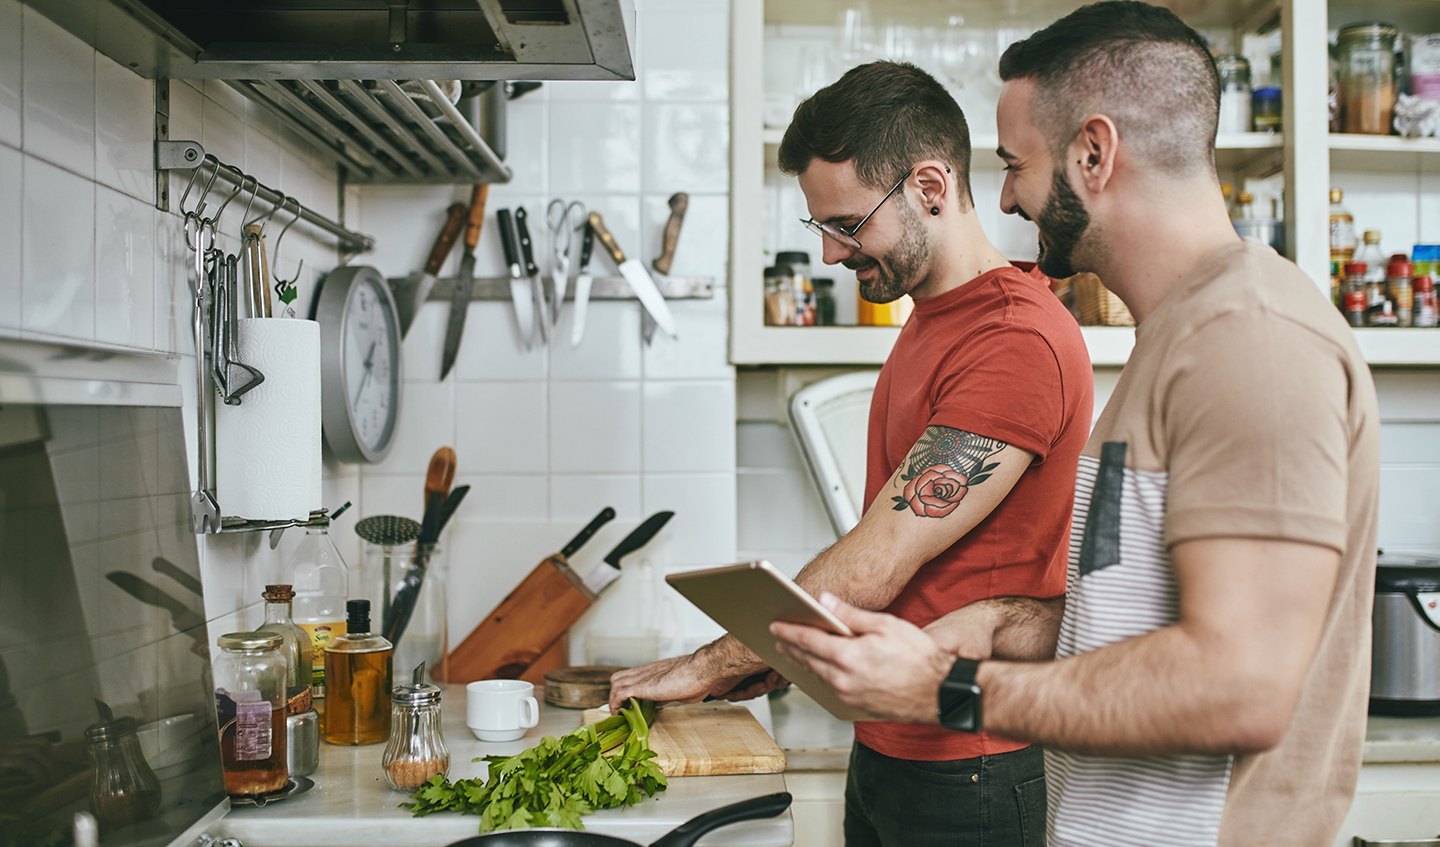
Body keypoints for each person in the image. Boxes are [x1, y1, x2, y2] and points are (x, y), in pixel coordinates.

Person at [772, 4, 1382, 847]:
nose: (1012, 196)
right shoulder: (1173, 339)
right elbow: (1149, 622)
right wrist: (1006, 623)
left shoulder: (1254, 340)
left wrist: (952, 687)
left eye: (1017, 163)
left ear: (1093, 153)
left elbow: (1240, 684)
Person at [610, 61, 1093, 846]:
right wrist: (771, 655)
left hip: (966, 763)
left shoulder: (1012, 338)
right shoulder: (937, 316)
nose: (833, 254)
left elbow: (880, 558)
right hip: (891, 743)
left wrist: (709, 661)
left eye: (846, 223)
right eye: (820, 228)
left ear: (930, 187)